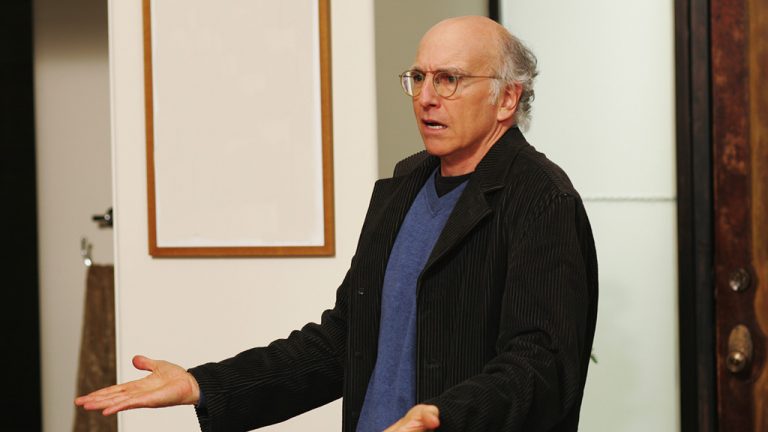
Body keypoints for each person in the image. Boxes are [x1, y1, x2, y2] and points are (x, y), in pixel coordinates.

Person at [76, 15, 598, 432]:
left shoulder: (541, 199)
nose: (426, 97)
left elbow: (542, 366)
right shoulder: (404, 185)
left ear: (507, 98)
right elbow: (343, 341)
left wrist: (445, 417)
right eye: (419, 77)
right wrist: (203, 385)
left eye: (449, 79)